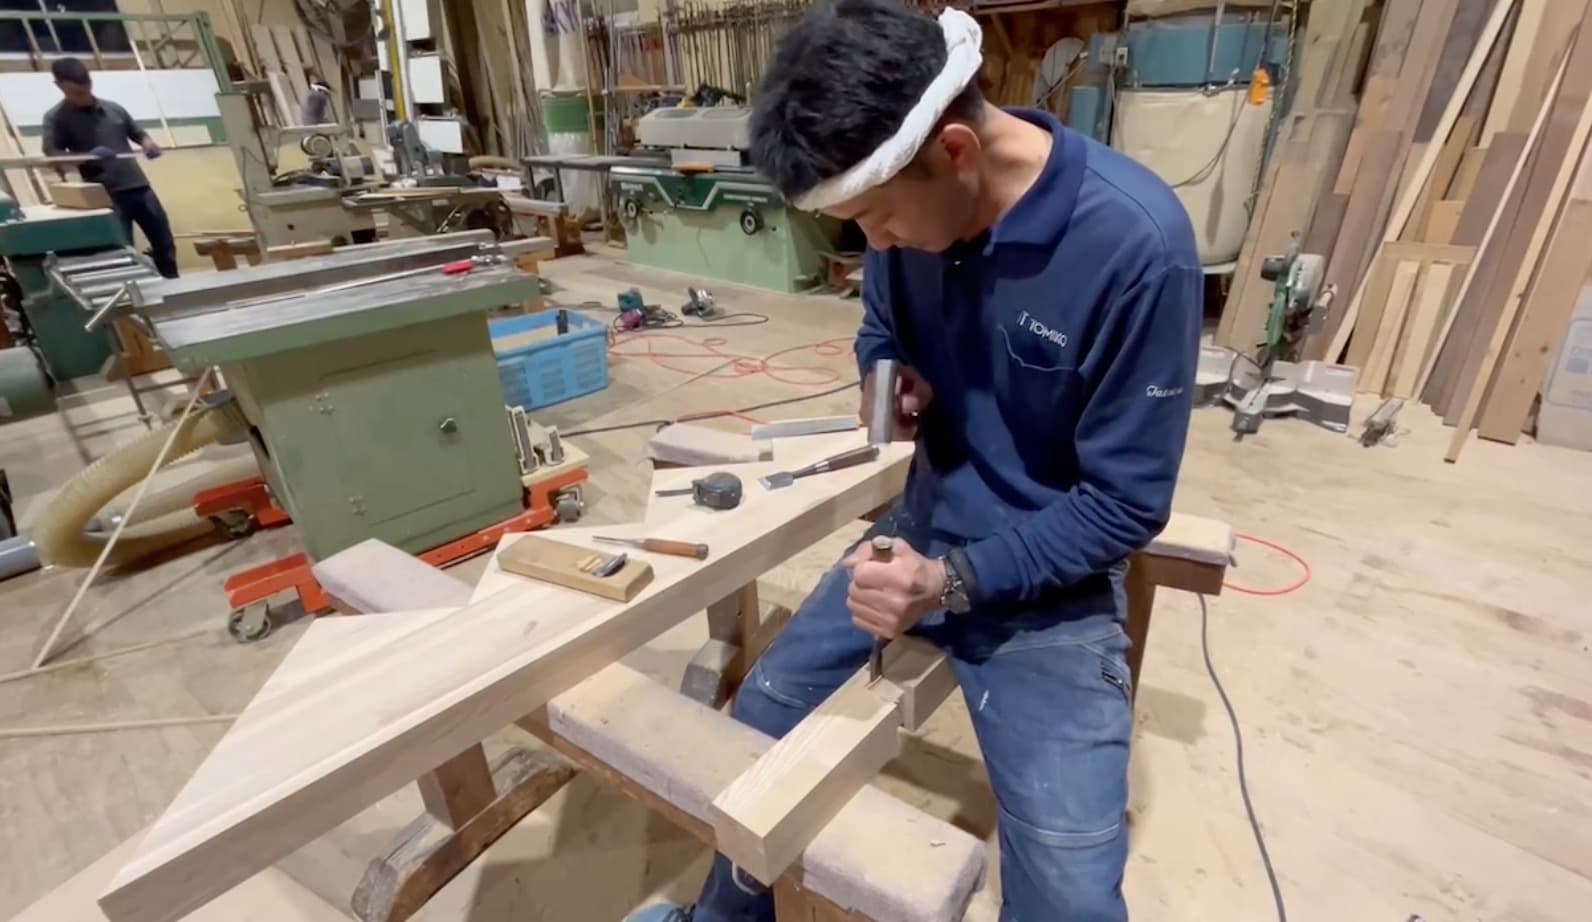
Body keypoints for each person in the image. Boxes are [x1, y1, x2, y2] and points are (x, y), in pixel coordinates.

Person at [630, 1, 1202, 920]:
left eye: (879, 219)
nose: (876, 245)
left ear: (957, 151)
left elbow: (1126, 503)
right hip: (919, 536)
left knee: (1070, 894)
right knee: (756, 737)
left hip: (1052, 585)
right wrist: (886, 376)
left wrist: (951, 584)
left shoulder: (1137, 245)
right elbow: (884, 325)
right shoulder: (912, 216)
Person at [42, 57, 178, 278]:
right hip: (104, 196)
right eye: (76, 93)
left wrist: (148, 143)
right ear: (59, 86)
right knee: (123, 252)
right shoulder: (56, 118)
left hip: (139, 187)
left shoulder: (113, 109)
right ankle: (139, 292)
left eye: (87, 89)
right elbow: (51, 154)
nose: (84, 96)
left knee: (165, 245)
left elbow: (138, 133)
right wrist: (87, 157)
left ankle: (174, 285)